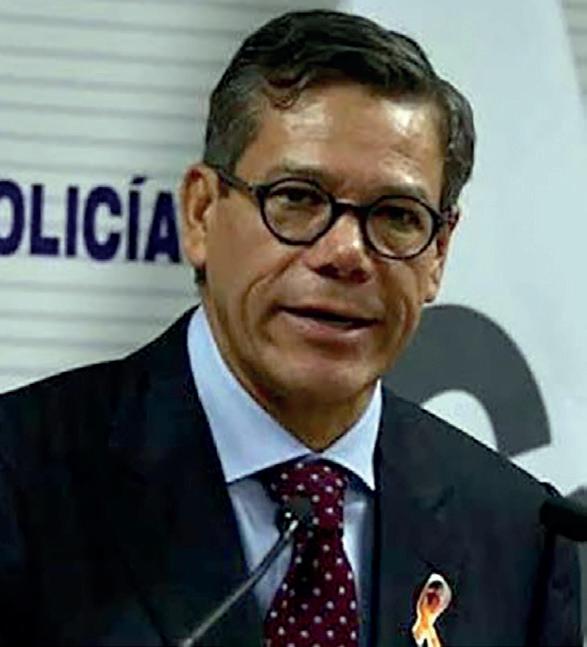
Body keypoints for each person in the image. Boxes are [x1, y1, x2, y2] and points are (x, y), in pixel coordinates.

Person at [0, 9, 580, 647]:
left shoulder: (519, 536)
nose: (346, 254)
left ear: (438, 253)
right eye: (298, 198)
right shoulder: (22, 479)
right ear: (201, 213)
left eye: (397, 215)